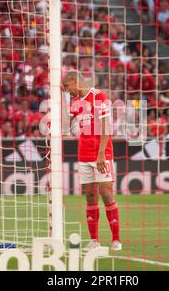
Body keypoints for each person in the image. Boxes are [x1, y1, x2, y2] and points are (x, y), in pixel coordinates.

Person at [62, 70, 122, 252]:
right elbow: (66, 122)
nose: (66, 90)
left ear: (75, 81)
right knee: (90, 196)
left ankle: (116, 239)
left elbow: (106, 127)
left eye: (66, 86)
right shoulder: (75, 102)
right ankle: (94, 240)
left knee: (106, 193)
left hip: (101, 155)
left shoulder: (99, 97)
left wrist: (101, 153)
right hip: (84, 155)